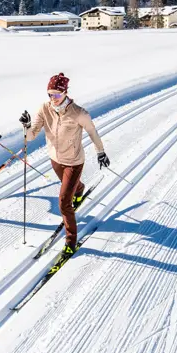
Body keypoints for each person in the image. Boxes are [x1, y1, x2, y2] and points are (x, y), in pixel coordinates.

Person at [20, 73, 109, 255]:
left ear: (65, 93)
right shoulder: (44, 109)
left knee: (63, 203)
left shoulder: (79, 113)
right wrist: (26, 126)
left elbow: (92, 132)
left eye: (57, 95)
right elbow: (31, 136)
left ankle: (70, 241)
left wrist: (100, 151)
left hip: (74, 162)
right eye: (50, 94)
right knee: (70, 188)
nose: (53, 99)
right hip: (55, 159)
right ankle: (79, 188)